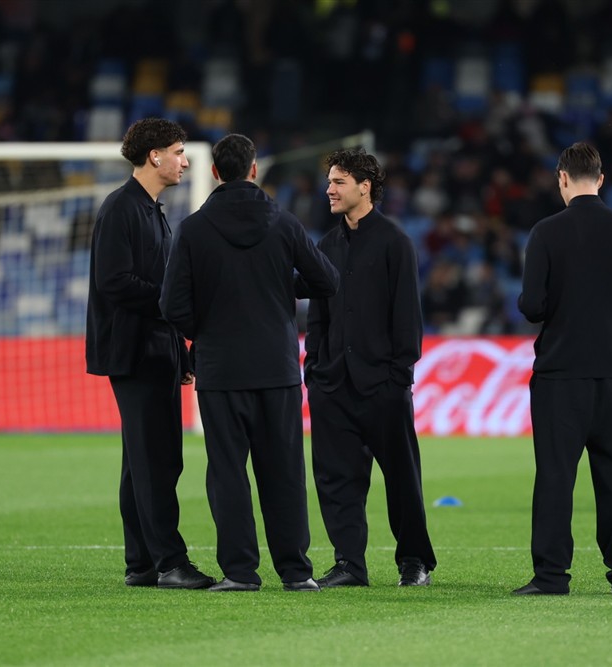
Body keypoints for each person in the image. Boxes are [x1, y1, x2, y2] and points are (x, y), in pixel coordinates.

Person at [160, 133, 340, 591]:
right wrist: (279, 286)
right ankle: (296, 572)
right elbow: (326, 280)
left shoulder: (194, 229)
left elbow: (172, 305)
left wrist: (206, 330)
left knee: (227, 473)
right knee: (284, 471)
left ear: (215, 172)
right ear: (254, 170)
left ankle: (241, 572)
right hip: (277, 366)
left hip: (221, 370)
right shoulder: (284, 223)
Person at [514, 141, 612, 596]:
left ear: (562, 178)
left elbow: (532, 306)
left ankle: (552, 576)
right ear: (601, 179)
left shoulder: (546, 232)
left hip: (561, 373)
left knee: (556, 476)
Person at [85, 118, 213, 589]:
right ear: (154, 155)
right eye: (178, 152)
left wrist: (178, 349)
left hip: (154, 349)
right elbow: (114, 282)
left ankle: (140, 563)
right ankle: (169, 563)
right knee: (156, 459)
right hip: (135, 351)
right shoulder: (121, 209)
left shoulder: (149, 210)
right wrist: (171, 302)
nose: (184, 162)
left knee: (142, 461)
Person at [301, 147, 437, 588]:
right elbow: (318, 316)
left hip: (382, 385)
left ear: (365, 187)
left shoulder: (395, 242)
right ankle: (349, 564)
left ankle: (414, 561)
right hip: (333, 385)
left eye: (338, 182)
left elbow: (407, 316)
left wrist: (398, 377)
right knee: (336, 480)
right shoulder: (326, 245)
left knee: (402, 479)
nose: (329, 190)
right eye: (329, 182)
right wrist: (315, 371)